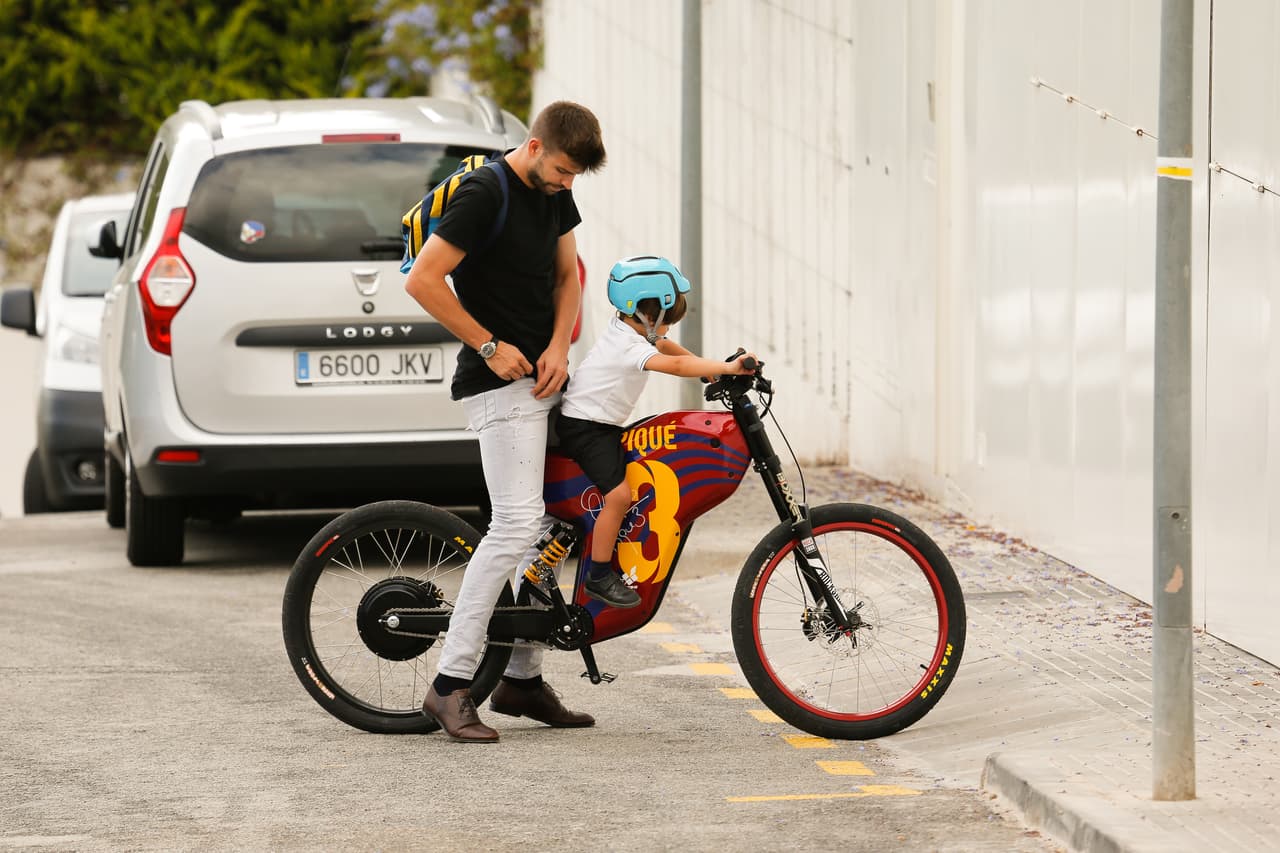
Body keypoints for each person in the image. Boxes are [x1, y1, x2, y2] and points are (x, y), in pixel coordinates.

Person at [405, 100, 606, 744]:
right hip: (497, 385)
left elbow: (567, 277)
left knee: (551, 523)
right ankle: (449, 685)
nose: (566, 183)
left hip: (545, 373)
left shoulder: (554, 196)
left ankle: (521, 679)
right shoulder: (484, 194)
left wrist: (558, 346)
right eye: (562, 170)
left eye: (576, 176)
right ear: (537, 146)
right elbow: (425, 282)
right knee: (516, 523)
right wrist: (491, 346)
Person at [557, 256, 756, 608]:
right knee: (619, 496)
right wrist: (726, 367)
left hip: (596, 424)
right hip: (586, 429)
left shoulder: (627, 329)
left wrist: (708, 371)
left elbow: (667, 347)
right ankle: (599, 575)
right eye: (668, 321)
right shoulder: (629, 346)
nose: (668, 329)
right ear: (650, 315)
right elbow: (674, 363)